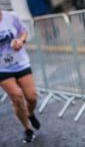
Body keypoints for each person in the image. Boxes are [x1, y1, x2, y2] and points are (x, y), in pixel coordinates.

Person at [0, 10, 40, 143]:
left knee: (32, 97)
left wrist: (20, 41)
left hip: (20, 62)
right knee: (17, 97)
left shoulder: (11, 16)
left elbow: (24, 31)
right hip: (2, 68)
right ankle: (27, 129)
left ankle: (30, 113)